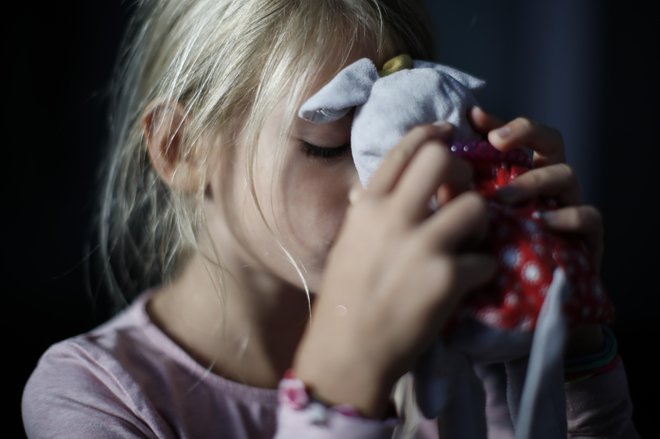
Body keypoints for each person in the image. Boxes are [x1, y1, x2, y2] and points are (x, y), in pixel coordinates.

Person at [22, 1, 639, 438]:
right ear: (181, 149)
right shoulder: (93, 398)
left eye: (414, 144)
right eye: (328, 144)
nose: (384, 187)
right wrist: (340, 397)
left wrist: (561, 349)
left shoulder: (443, 338)